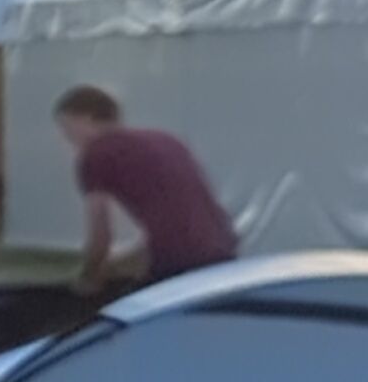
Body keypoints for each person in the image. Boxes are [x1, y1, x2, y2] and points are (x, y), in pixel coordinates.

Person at [56, 83, 236, 289]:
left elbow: (101, 233)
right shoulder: (166, 140)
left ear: (85, 118)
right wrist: (116, 265)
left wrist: (88, 278)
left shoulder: (96, 154)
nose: (65, 137)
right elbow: (179, 221)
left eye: (66, 127)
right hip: (223, 252)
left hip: (179, 264)